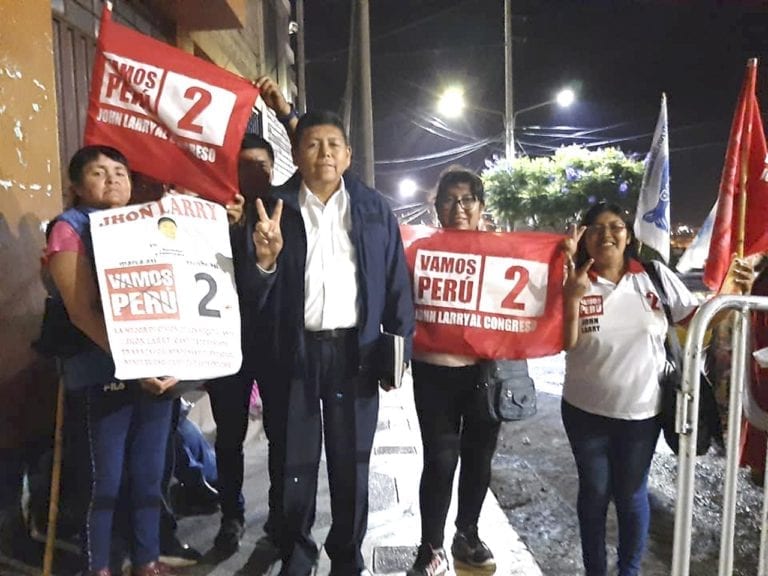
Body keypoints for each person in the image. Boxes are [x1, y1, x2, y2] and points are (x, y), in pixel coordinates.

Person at [239, 109, 414, 576]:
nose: (325, 153)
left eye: (334, 144)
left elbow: (398, 286)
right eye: (313, 144)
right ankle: (297, 552)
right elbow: (250, 292)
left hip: (355, 354)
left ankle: (347, 557)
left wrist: (398, 353)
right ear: (296, 153)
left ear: (349, 154)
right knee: (293, 459)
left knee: (351, 461)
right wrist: (264, 260)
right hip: (292, 352)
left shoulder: (374, 208)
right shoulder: (271, 209)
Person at [561, 202, 753, 576]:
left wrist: (731, 292)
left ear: (628, 234)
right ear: (584, 236)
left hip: (640, 413)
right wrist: (570, 297)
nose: (606, 234)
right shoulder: (570, 279)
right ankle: (595, 571)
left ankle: (629, 571)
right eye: (596, 227)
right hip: (583, 411)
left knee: (631, 496)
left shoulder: (653, 276)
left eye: (615, 226)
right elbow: (565, 343)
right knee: (594, 494)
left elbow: (698, 322)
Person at [45, 145, 179, 576]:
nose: (113, 180)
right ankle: (98, 566)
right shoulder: (69, 228)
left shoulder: (146, 223)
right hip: (103, 372)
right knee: (105, 481)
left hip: (154, 374)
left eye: (120, 171)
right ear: (76, 186)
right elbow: (81, 311)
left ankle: (147, 561)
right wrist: (136, 361)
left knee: (148, 475)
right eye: (99, 173)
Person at [406, 168, 499, 576]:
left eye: (467, 200)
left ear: (480, 206)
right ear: (436, 206)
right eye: (449, 200)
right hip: (434, 374)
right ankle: (431, 547)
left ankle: (468, 534)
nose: (459, 208)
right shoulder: (420, 252)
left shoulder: (503, 252)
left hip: (484, 374)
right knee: (440, 461)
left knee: (479, 459)